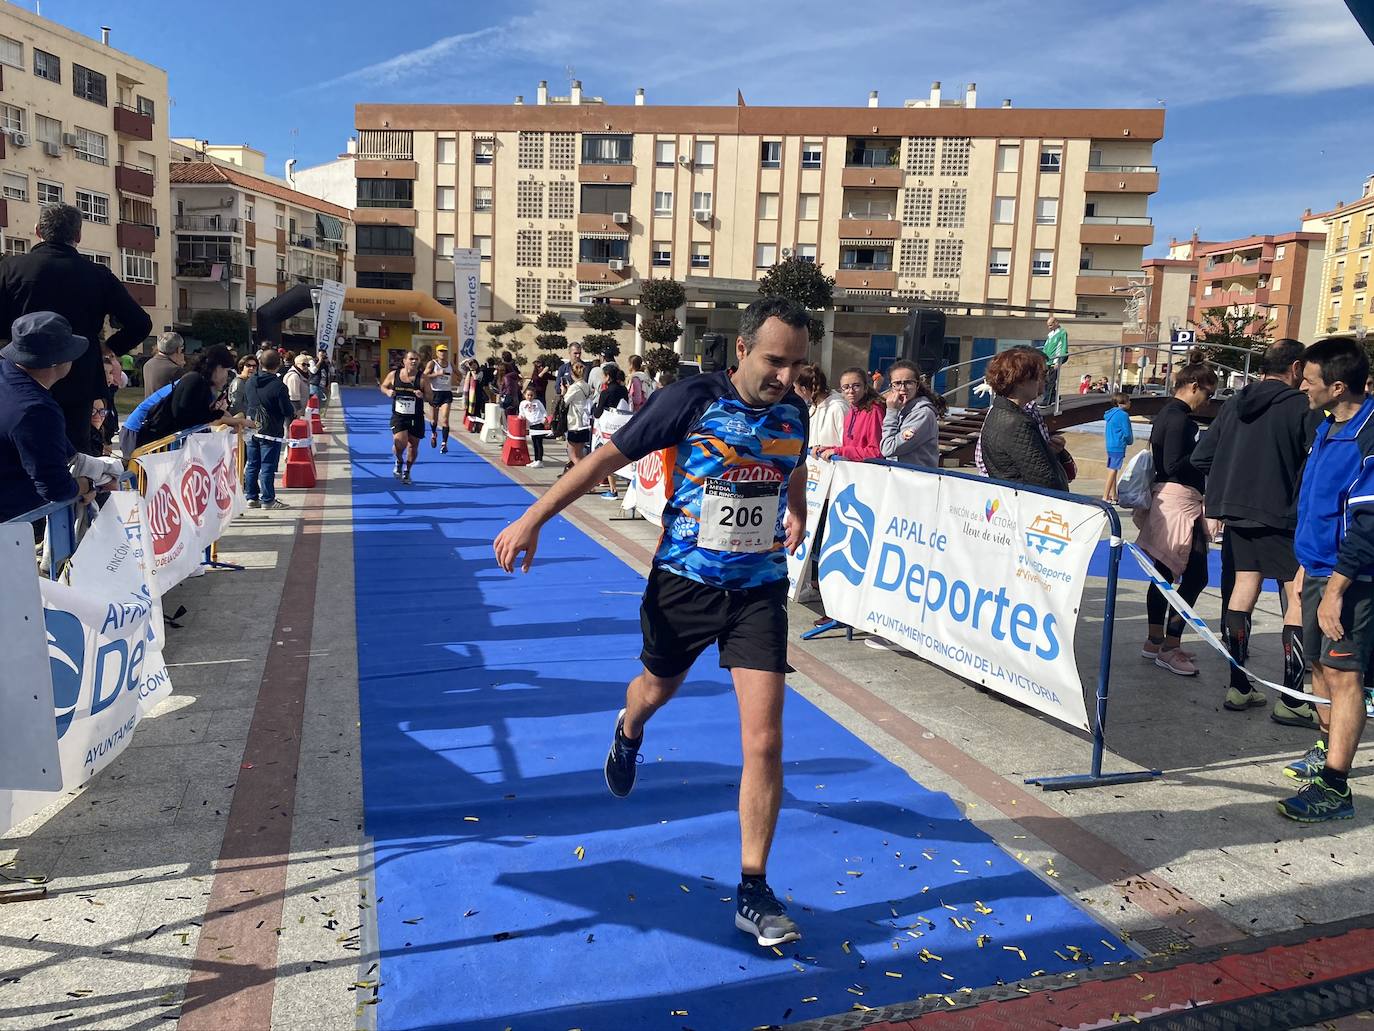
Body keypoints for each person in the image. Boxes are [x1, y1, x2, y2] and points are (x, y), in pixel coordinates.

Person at [494, 297, 812, 948]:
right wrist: (533, 518)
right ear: (744, 348)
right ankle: (629, 725)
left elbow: (796, 463)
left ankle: (753, 887)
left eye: (797, 364)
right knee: (655, 689)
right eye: (775, 361)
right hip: (683, 587)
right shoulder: (692, 400)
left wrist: (797, 510)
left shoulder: (795, 410)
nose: (785, 375)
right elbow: (603, 461)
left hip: (758, 590)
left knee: (764, 740)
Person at [1191, 339, 1317, 723]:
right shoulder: (1301, 407)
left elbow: (1201, 457)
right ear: (1295, 368)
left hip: (1237, 514)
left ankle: (1239, 685)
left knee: (1242, 590)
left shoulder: (1233, 404)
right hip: (1283, 515)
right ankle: (1293, 699)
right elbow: (1317, 461)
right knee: (1294, 596)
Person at [1277, 337, 1374, 822]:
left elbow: (1367, 525)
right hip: (1315, 570)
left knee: (1344, 675)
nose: (1302, 387)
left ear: (1338, 386)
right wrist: (1302, 571)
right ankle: (1325, 749)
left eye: (1310, 381)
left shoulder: (1369, 433)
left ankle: (1336, 787)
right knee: (1317, 666)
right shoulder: (1324, 425)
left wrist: (1335, 591)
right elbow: (1315, 505)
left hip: (1354, 579)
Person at [0, 204, 152, 454]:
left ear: (38, 231)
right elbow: (140, 323)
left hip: (20, 372)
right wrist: (109, 347)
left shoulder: (10, 269)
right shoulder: (97, 274)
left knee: (17, 449)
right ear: (78, 236)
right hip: (78, 376)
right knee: (73, 456)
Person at [1133, 360, 1219, 677]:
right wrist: (1205, 456)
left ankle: (1157, 641)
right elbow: (1173, 463)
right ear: (1194, 385)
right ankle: (1169, 645)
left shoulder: (1168, 414)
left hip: (1170, 500)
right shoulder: (1181, 419)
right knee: (1194, 577)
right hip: (1180, 501)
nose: (1208, 402)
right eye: (1208, 394)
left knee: (1164, 572)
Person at [0, 312, 86, 522]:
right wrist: (86, 485)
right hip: (12, 525)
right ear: (56, 363)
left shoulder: (8, 378)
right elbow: (55, 488)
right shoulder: (36, 409)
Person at [975, 348, 1068, 491]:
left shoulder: (1000, 412)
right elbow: (1046, 480)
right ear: (1021, 381)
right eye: (1040, 376)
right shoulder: (1016, 423)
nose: (1044, 381)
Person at [135, 345, 252, 449]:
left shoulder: (203, 384)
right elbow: (183, 415)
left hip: (168, 442)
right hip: (158, 441)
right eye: (226, 371)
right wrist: (215, 414)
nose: (227, 376)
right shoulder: (194, 380)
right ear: (217, 368)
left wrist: (215, 413)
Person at [240, 349, 296, 511]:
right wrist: (293, 413)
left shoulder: (250, 381)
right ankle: (268, 499)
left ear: (260, 363)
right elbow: (286, 410)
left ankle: (251, 497)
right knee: (267, 466)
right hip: (271, 430)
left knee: (252, 464)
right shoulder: (278, 386)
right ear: (278, 365)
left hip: (252, 427)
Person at [880, 360, 944, 468]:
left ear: (917, 385)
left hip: (916, 478)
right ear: (891, 386)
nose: (903, 388)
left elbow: (888, 448)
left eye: (908, 382)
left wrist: (891, 412)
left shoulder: (923, 414)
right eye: (897, 383)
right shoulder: (900, 408)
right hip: (898, 476)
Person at [381, 350, 430, 484]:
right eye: (411, 359)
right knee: (399, 443)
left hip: (416, 417)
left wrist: (423, 395)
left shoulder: (423, 378)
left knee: (413, 446)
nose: (414, 361)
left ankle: (407, 471)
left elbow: (431, 397)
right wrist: (388, 391)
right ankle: (399, 461)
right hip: (399, 416)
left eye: (416, 359)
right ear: (404, 361)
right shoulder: (394, 375)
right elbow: (383, 386)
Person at [814, 368, 883, 463]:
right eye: (846, 387)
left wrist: (838, 451)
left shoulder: (873, 411)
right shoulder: (851, 411)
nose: (851, 391)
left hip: (869, 472)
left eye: (856, 386)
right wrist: (826, 448)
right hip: (852, 471)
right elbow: (849, 448)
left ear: (865, 387)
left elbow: (876, 452)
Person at [795, 364, 847, 456]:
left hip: (836, 467)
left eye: (795, 388)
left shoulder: (838, 407)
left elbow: (847, 443)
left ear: (803, 389)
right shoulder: (813, 407)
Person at [1102, 393, 1134, 503]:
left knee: (1113, 469)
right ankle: (1105, 496)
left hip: (1110, 444)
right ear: (1121, 404)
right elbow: (1127, 432)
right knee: (1113, 470)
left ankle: (1114, 495)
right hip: (1118, 445)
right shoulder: (1123, 415)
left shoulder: (1111, 414)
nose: (1130, 403)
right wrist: (1130, 441)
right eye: (1128, 401)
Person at [424, 344, 456, 454]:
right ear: (437, 353)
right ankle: (434, 433)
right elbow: (424, 376)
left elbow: (457, 373)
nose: (443, 353)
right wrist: (437, 374)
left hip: (446, 394)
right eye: (441, 351)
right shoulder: (432, 363)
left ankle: (444, 444)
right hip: (435, 393)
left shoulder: (450, 363)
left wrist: (460, 378)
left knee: (445, 420)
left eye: (445, 351)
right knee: (434, 420)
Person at [563, 362, 595, 467]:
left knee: (572, 454)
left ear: (572, 374)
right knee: (580, 453)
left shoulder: (574, 387)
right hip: (585, 423)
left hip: (575, 423)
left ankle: (583, 474)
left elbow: (565, 401)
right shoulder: (587, 386)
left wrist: (564, 390)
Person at [142, 333, 186, 397]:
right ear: (178, 349)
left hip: (149, 405)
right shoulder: (175, 370)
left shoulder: (148, 364)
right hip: (166, 406)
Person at [518, 385, 548, 468]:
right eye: (528, 395)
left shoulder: (537, 402)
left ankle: (540, 460)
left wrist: (545, 418)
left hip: (538, 423)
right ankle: (535, 460)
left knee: (539, 443)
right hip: (531, 425)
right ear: (524, 395)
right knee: (534, 443)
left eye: (531, 395)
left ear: (534, 395)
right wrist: (521, 417)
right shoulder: (522, 403)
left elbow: (544, 411)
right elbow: (521, 413)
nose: (530, 397)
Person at [1042, 316, 1068, 405]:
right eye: (1048, 326)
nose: (1049, 327)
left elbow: (1064, 347)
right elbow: (1046, 347)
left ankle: (1047, 401)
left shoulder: (1062, 333)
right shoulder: (1050, 335)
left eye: (1051, 325)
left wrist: (1059, 361)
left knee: (1051, 381)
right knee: (1045, 380)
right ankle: (1054, 397)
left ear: (1056, 323)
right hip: (1048, 361)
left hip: (1055, 360)